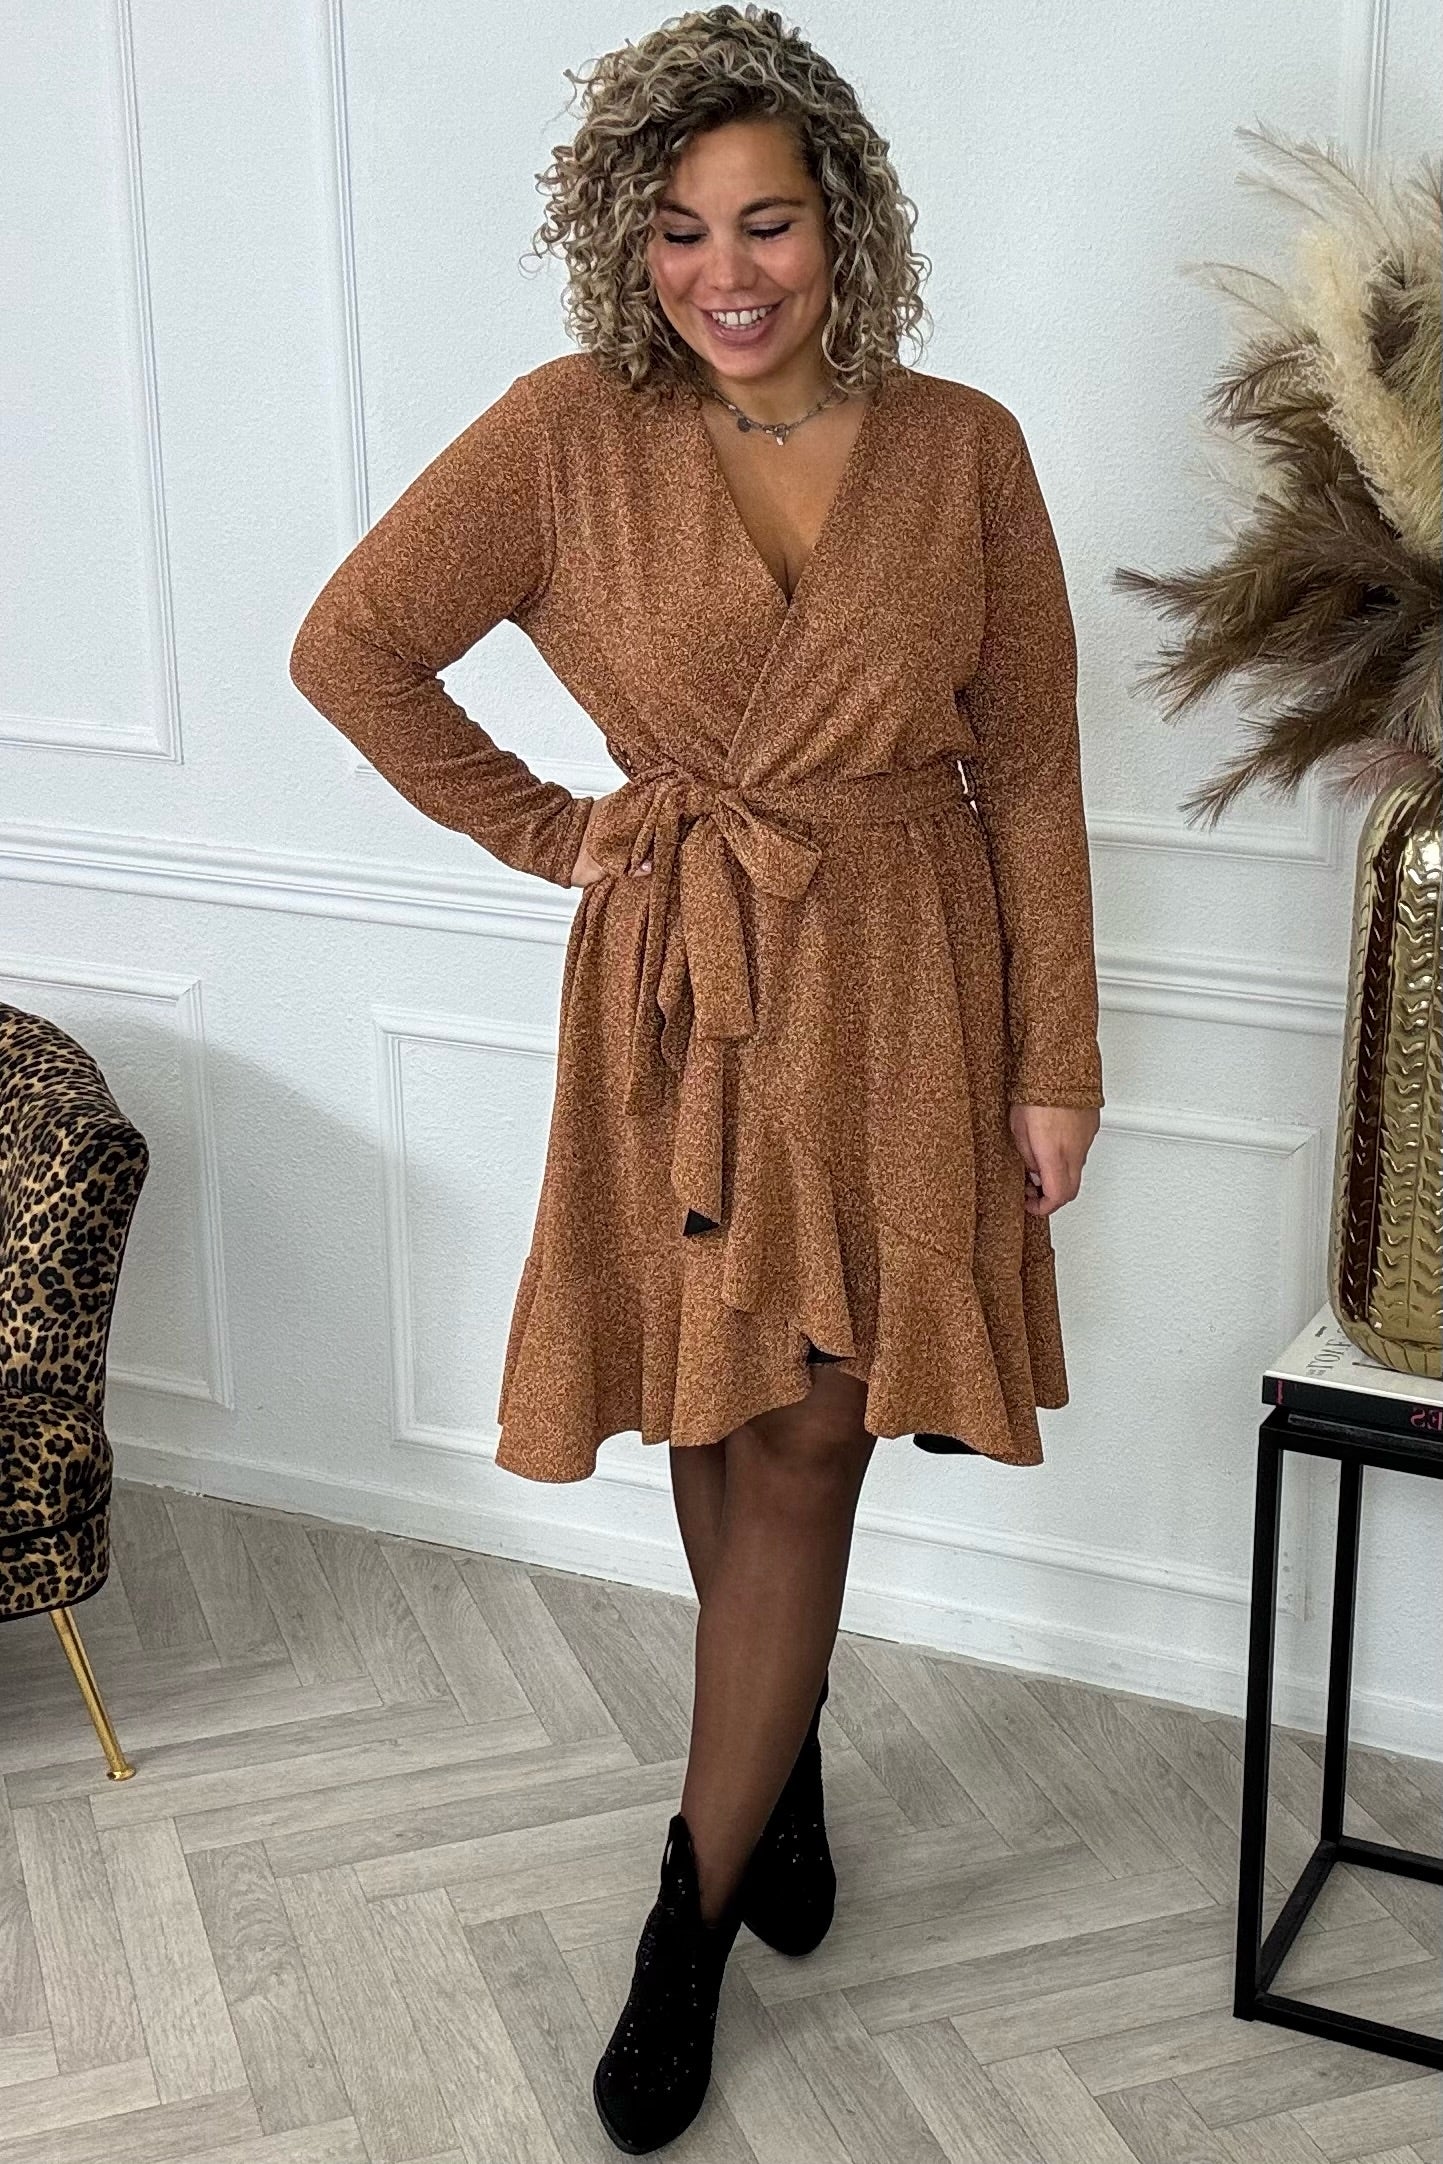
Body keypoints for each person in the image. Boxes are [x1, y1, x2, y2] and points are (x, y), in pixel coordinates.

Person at [288, 4, 1103, 2150]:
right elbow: (350, 644)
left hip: (905, 980)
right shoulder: (566, 433)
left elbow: (1028, 768)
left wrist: (1058, 1059)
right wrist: (555, 829)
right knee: (722, 1402)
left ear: (844, 222)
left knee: (819, 1432)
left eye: (766, 221)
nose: (725, 273)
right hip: (679, 979)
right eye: (676, 232)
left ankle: (687, 1912)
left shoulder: (965, 449)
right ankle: (779, 1758)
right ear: (624, 246)